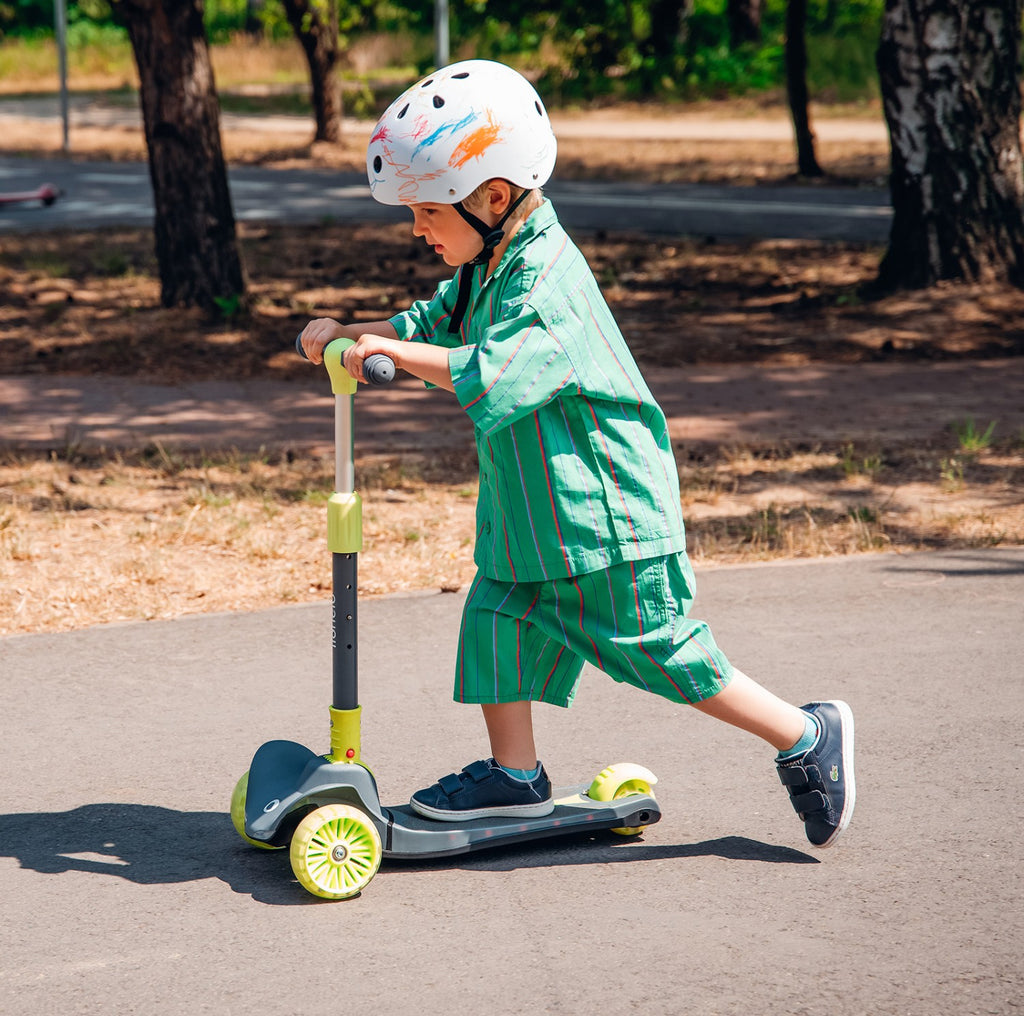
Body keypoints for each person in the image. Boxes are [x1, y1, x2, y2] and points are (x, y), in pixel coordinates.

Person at [299, 59, 855, 849]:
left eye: (427, 210)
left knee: (656, 652)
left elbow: (486, 370)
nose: (419, 229)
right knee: (497, 623)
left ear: (493, 196)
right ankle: (516, 776)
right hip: (534, 511)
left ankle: (803, 733)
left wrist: (381, 353)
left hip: (602, 514)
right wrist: (355, 334)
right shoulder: (488, 260)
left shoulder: (548, 278)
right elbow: (431, 324)